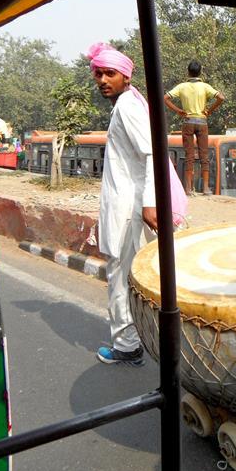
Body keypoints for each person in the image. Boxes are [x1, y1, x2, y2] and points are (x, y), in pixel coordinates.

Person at [88, 42, 158, 367]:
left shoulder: (127, 108)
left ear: (125, 77)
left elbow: (151, 153)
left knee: (119, 275)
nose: (103, 80)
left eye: (110, 73)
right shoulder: (127, 105)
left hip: (127, 209)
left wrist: (149, 204)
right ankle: (133, 338)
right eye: (99, 74)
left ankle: (127, 345)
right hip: (126, 206)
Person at [164, 60, 224, 195]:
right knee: (204, 155)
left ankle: (188, 189)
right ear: (200, 72)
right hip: (202, 122)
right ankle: (206, 188)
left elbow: (165, 98)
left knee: (189, 155)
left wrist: (178, 110)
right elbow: (221, 97)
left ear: (188, 72)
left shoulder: (182, 87)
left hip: (188, 122)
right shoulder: (205, 86)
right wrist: (209, 110)